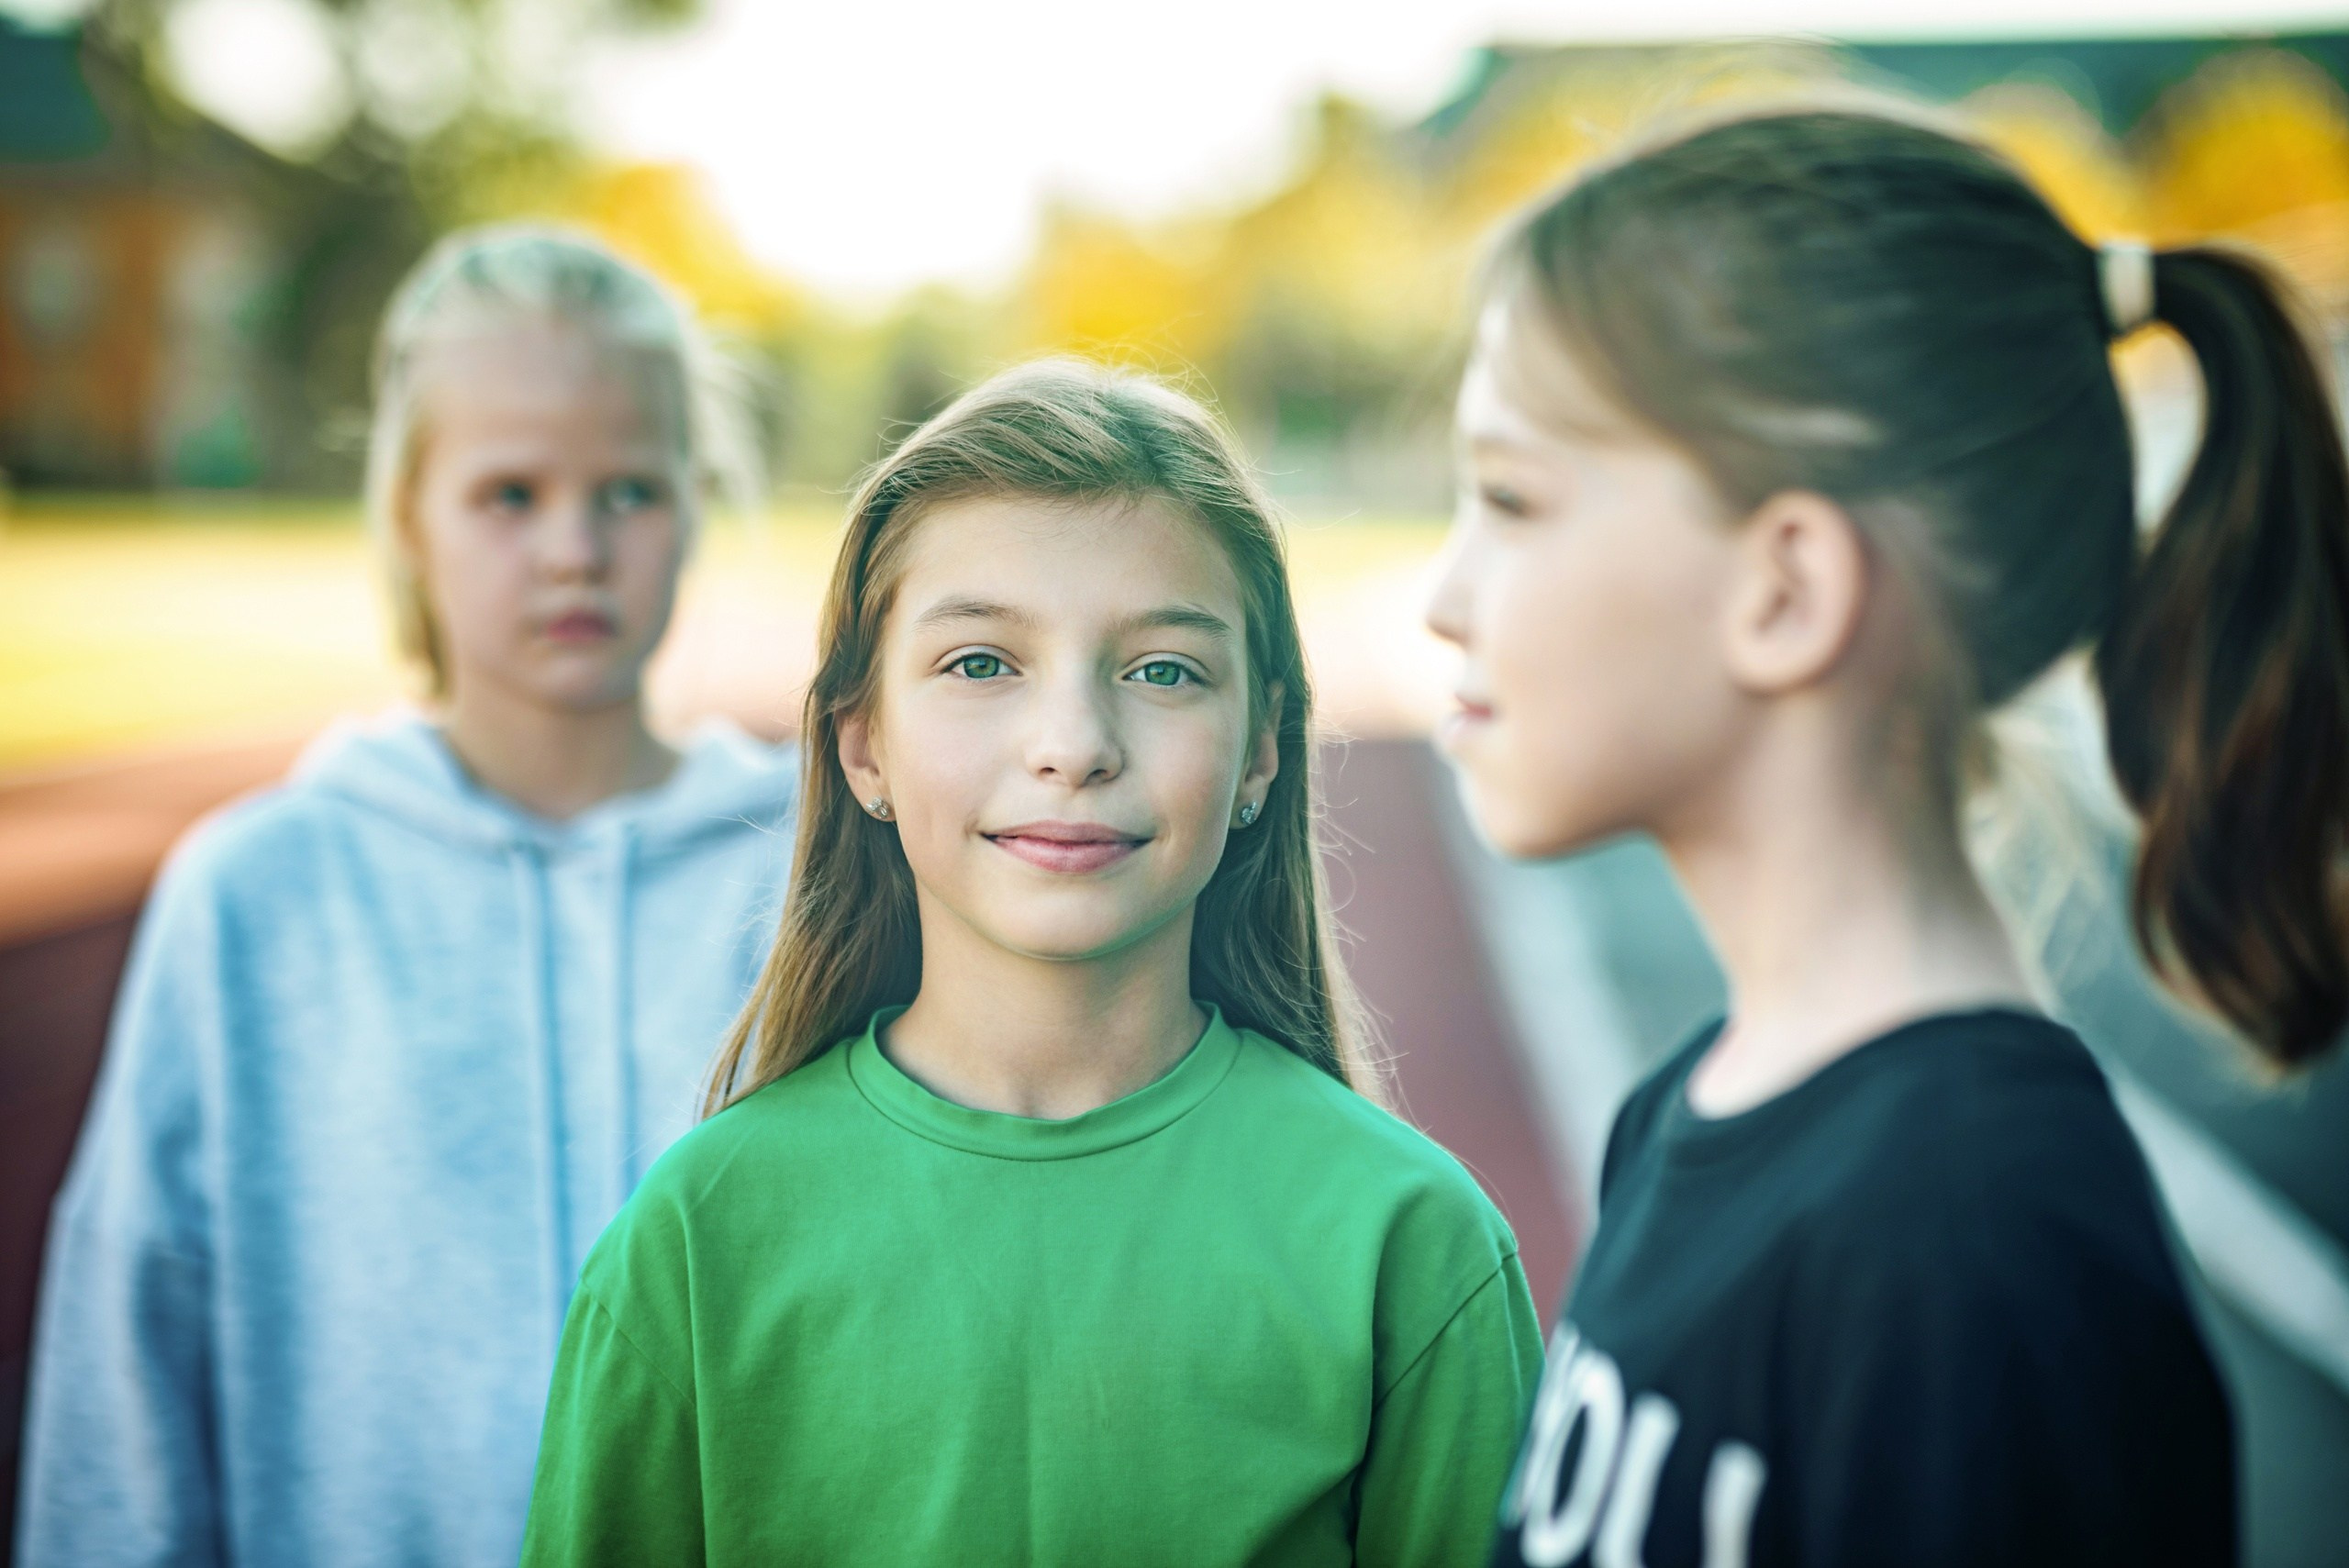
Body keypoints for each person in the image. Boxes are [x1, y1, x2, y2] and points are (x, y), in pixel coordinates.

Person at [1428, 106, 2347, 1567]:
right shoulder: (1685, 1115)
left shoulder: (1979, 1246)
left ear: (1787, 586)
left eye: (1510, 497)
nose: (1444, 592)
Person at [521, 359, 1545, 1566]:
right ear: (864, 747)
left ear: (1262, 750)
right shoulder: (695, 1238)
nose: (1073, 744)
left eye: (1163, 669)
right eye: (980, 663)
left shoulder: (1410, 1244)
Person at [17, 228, 796, 1567]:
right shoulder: (258, 891)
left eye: (630, 490)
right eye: (509, 494)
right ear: (407, 521)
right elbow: (130, 1339)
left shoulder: (808, 877)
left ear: (697, 496)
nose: (574, 547)